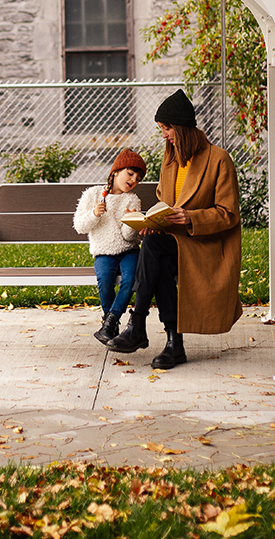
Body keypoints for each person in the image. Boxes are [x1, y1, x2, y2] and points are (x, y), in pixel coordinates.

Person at [107, 89, 242, 369]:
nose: (164, 135)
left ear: (181, 128)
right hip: (172, 240)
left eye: (166, 128)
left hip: (204, 243)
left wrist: (191, 217)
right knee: (156, 253)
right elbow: (164, 200)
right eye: (161, 129)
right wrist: (151, 221)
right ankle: (171, 345)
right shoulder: (170, 158)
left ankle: (139, 324)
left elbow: (228, 214)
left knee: (155, 253)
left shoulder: (219, 159)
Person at [73, 148, 147, 345]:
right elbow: (80, 226)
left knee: (131, 278)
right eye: (130, 173)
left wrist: (131, 221)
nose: (133, 180)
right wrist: (94, 214)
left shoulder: (132, 199)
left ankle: (110, 320)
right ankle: (110, 323)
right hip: (104, 252)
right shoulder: (93, 194)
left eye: (138, 178)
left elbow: (128, 236)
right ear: (116, 171)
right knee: (105, 279)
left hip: (128, 251)